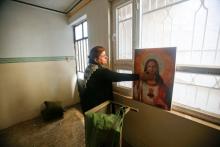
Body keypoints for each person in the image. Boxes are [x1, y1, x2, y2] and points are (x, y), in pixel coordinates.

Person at [80, 46, 140, 112]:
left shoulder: (89, 67)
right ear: (96, 60)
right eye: (103, 56)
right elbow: (118, 76)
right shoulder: (100, 71)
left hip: (87, 103)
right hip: (96, 106)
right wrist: (138, 76)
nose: (107, 57)